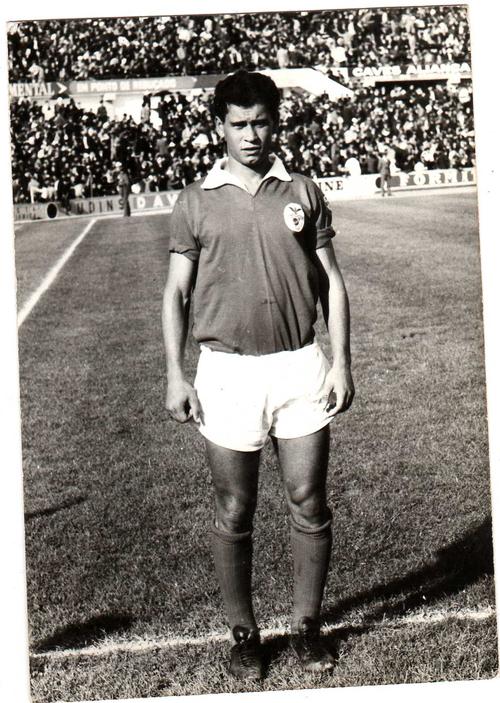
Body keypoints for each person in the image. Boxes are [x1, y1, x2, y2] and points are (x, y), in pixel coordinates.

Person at [162, 70, 354, 681]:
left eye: (262, 123)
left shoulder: (302, 191)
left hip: (299, 366)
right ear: (220, 127)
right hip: (227, 374)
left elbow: (333, 283)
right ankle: (244, 634)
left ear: (277, 123)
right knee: (234, 508)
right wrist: (175, 374)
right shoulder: (196, 201)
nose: (251, 135)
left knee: (309, 501)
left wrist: (342, 362)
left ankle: (306, 626)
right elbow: (176, 293)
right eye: (239, 124)